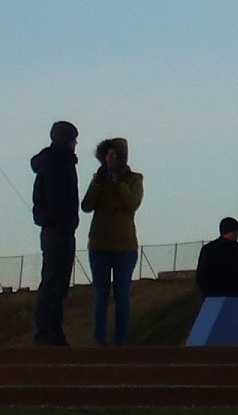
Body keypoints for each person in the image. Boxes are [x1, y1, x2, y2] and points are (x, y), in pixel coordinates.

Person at [80, 136, 142, 345]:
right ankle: (100, 339)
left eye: (115, 154)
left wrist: (120, 182)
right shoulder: (99, 179)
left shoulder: (134, 179)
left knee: (122, 294)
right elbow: (87, 205)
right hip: (99, 244)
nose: (111, 158)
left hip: (125, 245)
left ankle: (121, 340)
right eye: (108, 154)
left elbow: (132, 204)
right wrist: (98, 183)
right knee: (101, 293)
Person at [30, 120, 81, 345]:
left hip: (55, 229)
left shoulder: (52, 163)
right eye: (72, 139)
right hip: (58, 230)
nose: (75, 144)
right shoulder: (58, 165)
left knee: (55, 283)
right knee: (54, 283)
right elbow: (57, 200)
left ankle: (51, 331)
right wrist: (65, 223)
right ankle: (48, 333)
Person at [195, 217, 238, 298]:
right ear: (232, 231)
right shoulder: (236, 252)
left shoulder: (209, 249)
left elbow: (201, 277)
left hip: (214, 298)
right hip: (232, 297)